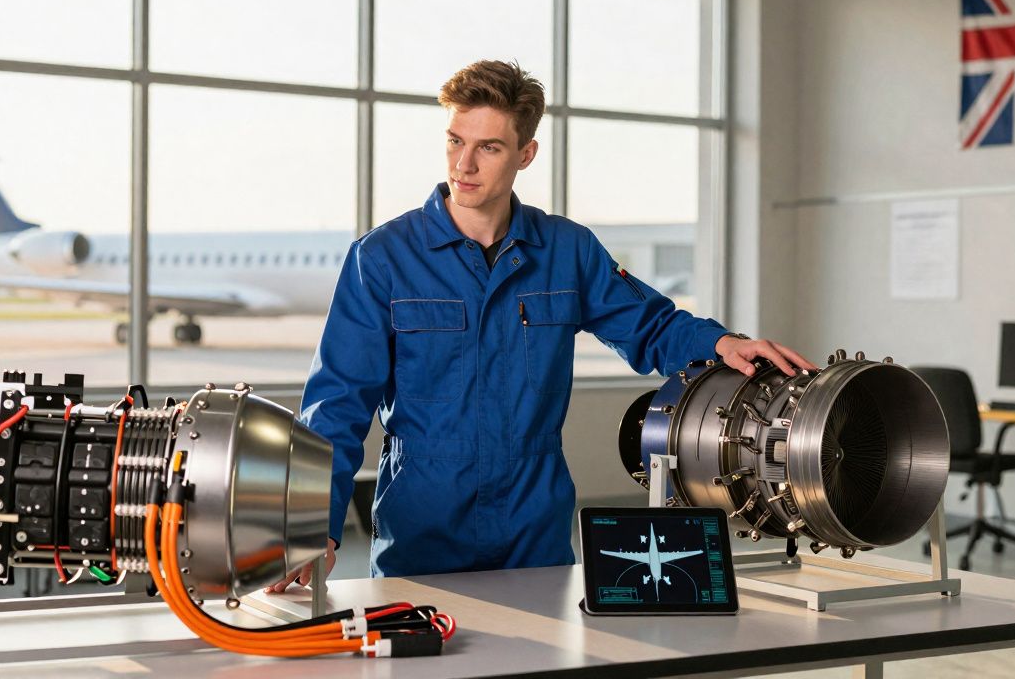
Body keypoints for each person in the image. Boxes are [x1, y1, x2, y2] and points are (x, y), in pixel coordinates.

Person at [266, 60, 814, 592]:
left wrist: (723, 342)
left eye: (489, 147)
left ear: (526, 154)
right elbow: (335, 404)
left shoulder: (566, 250)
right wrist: (314, 526)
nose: (464, 164)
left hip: (534, 527)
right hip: (422, 528)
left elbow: (650, 325)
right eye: (456, 141)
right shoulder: (383, 258)